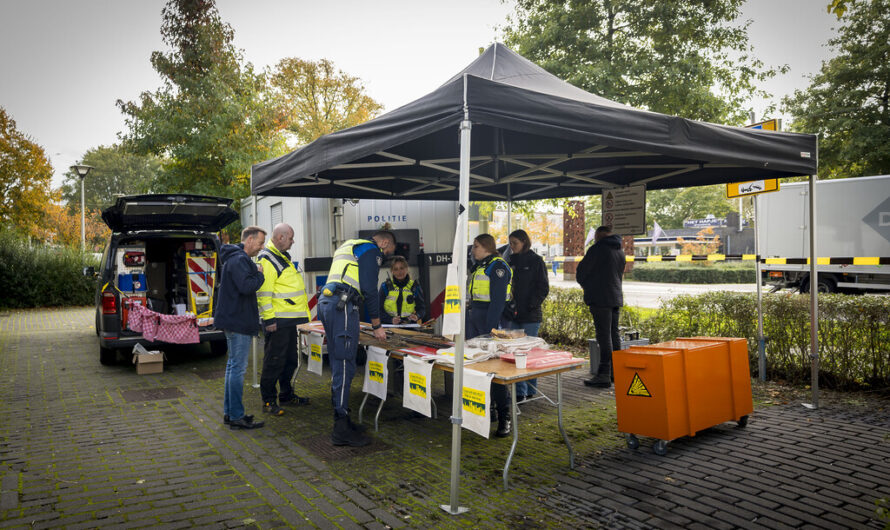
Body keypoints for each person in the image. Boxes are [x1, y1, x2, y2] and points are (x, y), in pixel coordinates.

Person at [317, 231, 396, 446]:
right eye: (388, 252)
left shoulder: (350, 244)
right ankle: (341, 429)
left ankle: (342, 417)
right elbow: (370, 289)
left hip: (328, 302)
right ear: (385, 243)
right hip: (342, 305)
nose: (385, 257)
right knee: (345, 364)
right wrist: (377, 325)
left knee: (337, 362)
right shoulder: (372, 250)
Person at [215, 226, 267, 430]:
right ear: (250, 240)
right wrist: (260, 274)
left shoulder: (235, 258)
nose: (261, 247)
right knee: (237, 369)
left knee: (232, 367)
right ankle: (236, 415)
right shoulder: (239, 260)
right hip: (238, 322)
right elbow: (247, 287)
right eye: (261, 243)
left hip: (233, 320)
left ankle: (230, 413)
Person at [256, 223, 311, 416]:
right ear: (280, 237)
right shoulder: (268, 260)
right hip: (277, 322)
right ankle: (269, 401)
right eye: (290, 238)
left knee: (290, 360)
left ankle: (286, 394)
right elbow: (263, 293)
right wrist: (269, 320)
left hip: (288, 320)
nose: (293, 241)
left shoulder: (280, 258)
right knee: (274, 361)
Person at [466, 234, 513, 437]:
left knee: (495, 372)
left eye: (475, 246)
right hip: (475, 320)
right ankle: (489, 410)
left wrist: (491, 331)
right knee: (478, 369)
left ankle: (505, 418)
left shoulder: (498, 266)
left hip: (489, 322)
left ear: (486, 247)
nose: (473, 250)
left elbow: (497, 302)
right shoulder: (479, 266)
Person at [576, 226, 626, 388]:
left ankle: (604, 374)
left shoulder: (597, 249)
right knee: (614, 334)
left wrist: (588, 287)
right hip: (615, 296)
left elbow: (581, 272)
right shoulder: (619, 250)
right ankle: (616, 372)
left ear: (598, 236)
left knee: (603, 336)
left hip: (600, 297)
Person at [505, 229, 549, 402]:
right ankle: (520, 392)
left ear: (524, 242)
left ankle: (530, 389)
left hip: (530, 315)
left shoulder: (536, 261)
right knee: (517, 352)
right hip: (513, 314)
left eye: (515, 243)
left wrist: (530, 305)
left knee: (530, 353)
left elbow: (543, 288)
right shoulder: (510, 261)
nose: (512, 246)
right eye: (510, 243)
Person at [379, 255, 425, 325]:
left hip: (409, 326)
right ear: (392, 271)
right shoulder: (385, 286)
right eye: (396, 269)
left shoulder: (414, 287)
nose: (399, 272)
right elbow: (378, 310)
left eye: (402, 268)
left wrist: (417, 316)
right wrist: (390, 320)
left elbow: (422, 309)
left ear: (407, 269)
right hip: (388, 325)